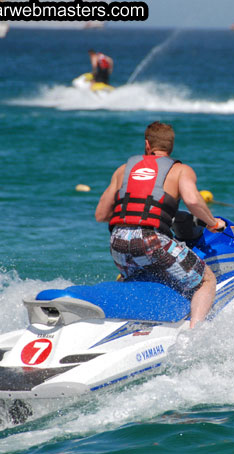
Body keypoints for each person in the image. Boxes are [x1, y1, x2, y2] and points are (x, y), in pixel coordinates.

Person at [95, 121, 226, 328]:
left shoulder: (123, 170)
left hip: (117, 241)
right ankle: (195, 334)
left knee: (133, 278)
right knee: (205, 281)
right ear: (171, 147)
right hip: (150, 239)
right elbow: (192, 201)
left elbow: (101, 214)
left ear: (147, 145)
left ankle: (123, 324)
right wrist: (212, 222)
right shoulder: (180, 170)